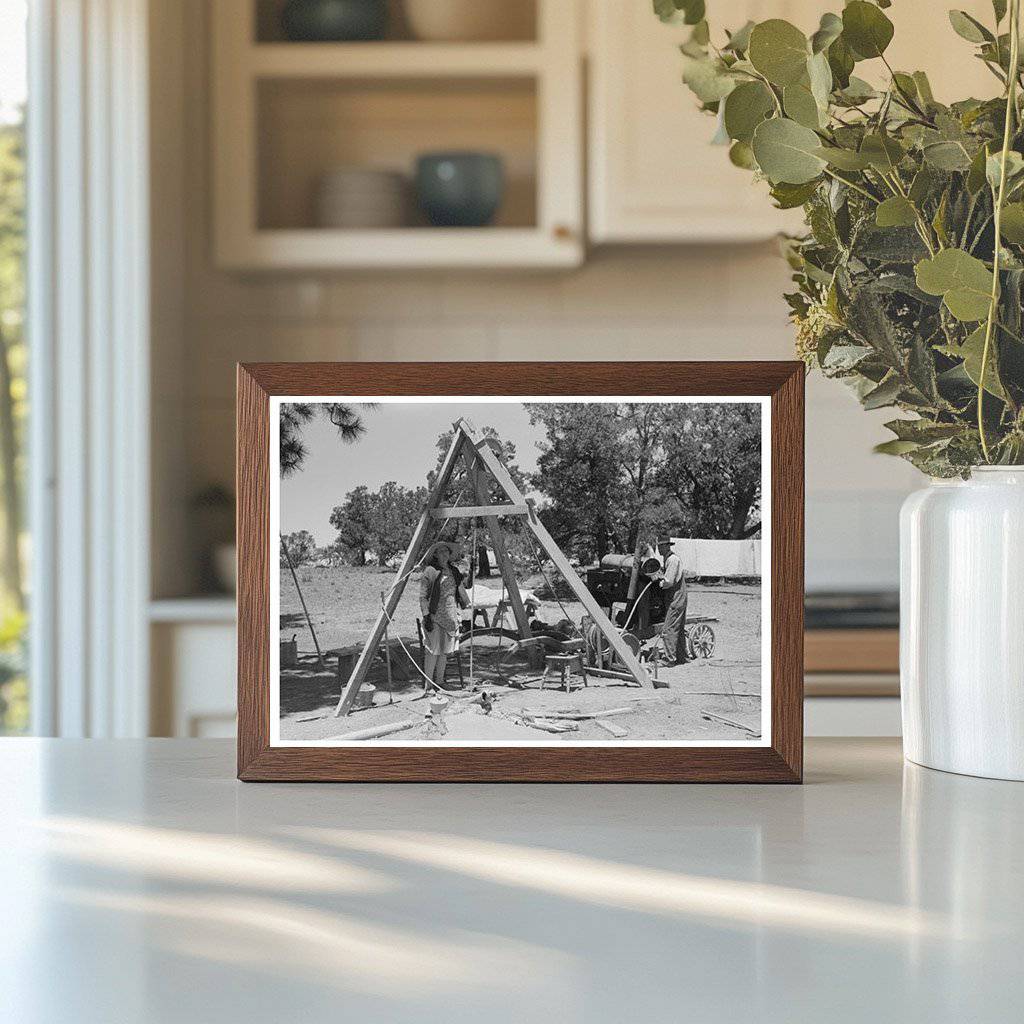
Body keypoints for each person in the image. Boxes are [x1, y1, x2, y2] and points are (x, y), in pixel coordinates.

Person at [419, 541, 469, 692]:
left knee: (445, 651)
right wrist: (426, 615)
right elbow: (422, 597)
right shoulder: (430, 571)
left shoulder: (453, 570)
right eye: (440, 552)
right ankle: (428, 685)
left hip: (450, 614)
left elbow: (464, 586)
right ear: (435, 554)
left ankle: (440, 681)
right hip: (434, 616)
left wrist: (470, 569)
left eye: (446, 551)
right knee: (432, 651)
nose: (444, 554)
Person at [657, 537, 688, 666]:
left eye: (660, 546)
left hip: (676, 596)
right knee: (678, 627)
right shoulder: (668, 559)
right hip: (676, 596)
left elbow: (669, 581)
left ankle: (669, 659)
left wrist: (659, 582)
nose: (658, 549)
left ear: (666, 546)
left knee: (669, 627)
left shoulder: (672, 560)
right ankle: (682, 657)